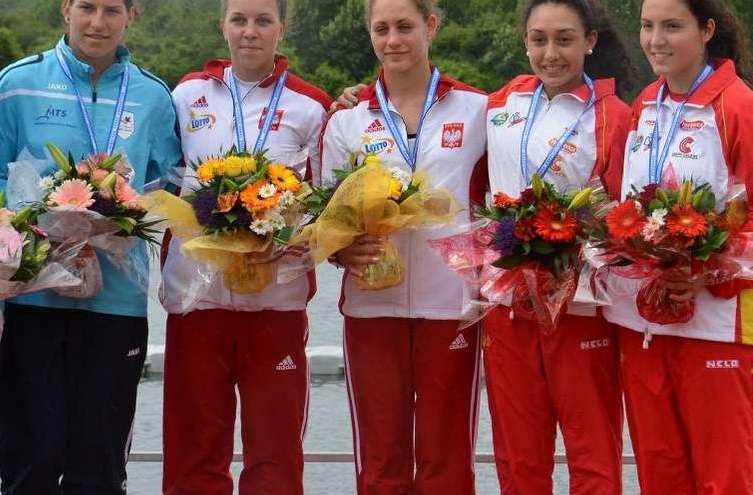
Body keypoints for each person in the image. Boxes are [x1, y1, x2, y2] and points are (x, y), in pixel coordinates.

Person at [0, 0, 182, 493]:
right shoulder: (15, 85)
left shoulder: (154, 97)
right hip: (29, 301)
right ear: (65, 8)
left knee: (100, 466)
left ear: (132, 14)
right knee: (30, 459)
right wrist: (35, 235)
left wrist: (122, 219)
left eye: (112, 9)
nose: (98, 22)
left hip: (115, 305)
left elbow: (171, 187)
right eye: (86, 6)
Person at [160, 0, 331, 493]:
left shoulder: (312, 104)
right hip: (196, 301)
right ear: (223, 26)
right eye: (239, 20)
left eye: (262, 21)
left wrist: (284, 237)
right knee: (194, 455)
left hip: (275, 302)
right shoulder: (186, 94)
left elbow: (327, 208)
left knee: (274, 459)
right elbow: (164, 183)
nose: (250, 32)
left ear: (282, 27)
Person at [320, 0, 488, 492]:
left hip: (452, 306)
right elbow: (325, 215)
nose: (393, 39)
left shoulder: (479, 110)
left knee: (447, 457)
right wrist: (339, 251)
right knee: (380, 458)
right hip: (372, 305)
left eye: (405, 27)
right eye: (381, 28)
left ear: (431, 26)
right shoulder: (347, 121)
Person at [603, 0, 753, 492]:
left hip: (717, 323)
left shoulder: (738, 106)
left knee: (724, 475)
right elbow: (622, 206)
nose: (656, 40)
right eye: (648, 26)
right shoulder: (645, 104)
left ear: (707, 29)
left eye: (672, 26)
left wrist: (705, 271)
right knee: (659, 471)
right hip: (641, 321)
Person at [482, 1, 632, 493]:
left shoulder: (616, 116)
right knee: (518, 456)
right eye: (539, 39)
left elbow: (625, 217)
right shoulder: (502, 102)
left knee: (591, 452)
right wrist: (355, 97)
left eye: (564, 39)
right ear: (524, 40)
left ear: (589, 41)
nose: (550, 53)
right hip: (507, 302)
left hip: (580, 304)